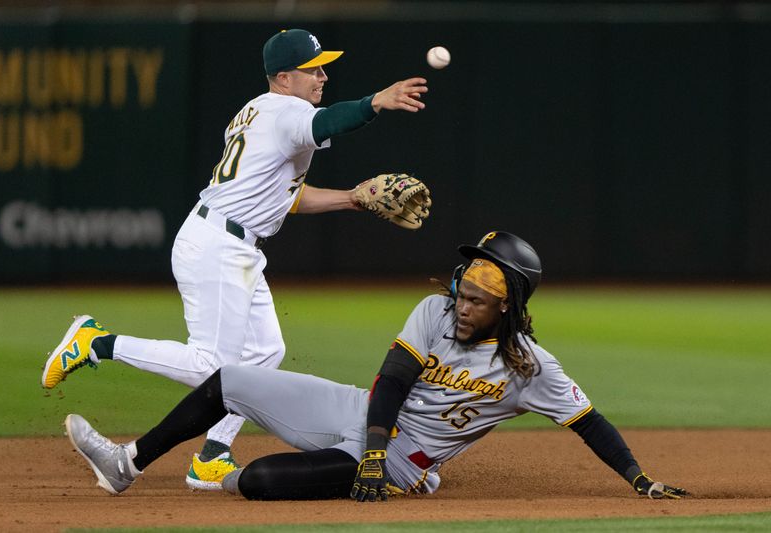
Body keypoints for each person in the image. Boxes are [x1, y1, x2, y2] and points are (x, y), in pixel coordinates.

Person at [40, 28, 429, 491]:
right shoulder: (289, 110)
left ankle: (212, 453)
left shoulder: (257, 112)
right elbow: (327, 123)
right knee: (214, 365)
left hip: (231, 242)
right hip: (218, 246)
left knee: (265, 352)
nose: (323, 75)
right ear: (284, 77)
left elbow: (282, 197)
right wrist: (376, 102)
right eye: (313, 69)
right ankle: (97, 342)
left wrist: (352, 198)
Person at [62, 231, 687, 501]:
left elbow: (589, 422)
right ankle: (126, 465)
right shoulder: (434, 312)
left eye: (476, 299)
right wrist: (367, 451)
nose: (461, 304)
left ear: (509, 304)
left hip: (407, 460)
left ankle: (255, 478)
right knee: (228, 381)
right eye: (462, 290)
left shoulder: (530, 369)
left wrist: (639, 480)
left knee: (257, 484)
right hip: (366, 420)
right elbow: (391, 380)